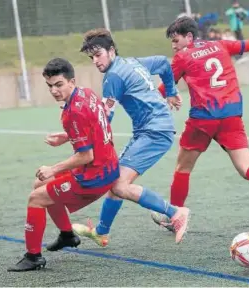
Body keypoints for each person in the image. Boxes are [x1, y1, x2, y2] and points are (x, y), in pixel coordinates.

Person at [152, 16, 249, 230]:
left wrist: (164, 94)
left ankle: (175, 218)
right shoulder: (220, 45)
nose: (173, 46)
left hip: (203, 119)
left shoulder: (182, 57)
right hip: (231, 116)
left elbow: (162, 90)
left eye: (176, 41)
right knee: (246, 167)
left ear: (189, 37)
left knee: (183, 168)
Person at [72, 28, 189, 246]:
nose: (95, 61)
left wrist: (81, 141)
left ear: (111, 50)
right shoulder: (133, 62)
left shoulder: (113, 77)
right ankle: (101, 231)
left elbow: (105, 119)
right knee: (116, 180)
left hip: (154, 132)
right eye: (92, 58)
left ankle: (175, 213)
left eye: (98, 55)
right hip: (152, 130)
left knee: (118, 185)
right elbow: (164, 62)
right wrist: (171, 91)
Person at [8, 58, 121, 272]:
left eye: (58, 84)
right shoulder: (86, 93)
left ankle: (33, 257)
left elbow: (85, 156)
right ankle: (68, 235)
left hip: (94, 176)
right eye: (49, 86)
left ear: (71, 81)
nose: (53, 90)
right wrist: (67, 137)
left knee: (36, 198)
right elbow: (96, 122)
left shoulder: (72, 113)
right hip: (107, 164)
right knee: (38, 186)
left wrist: (53, 168)